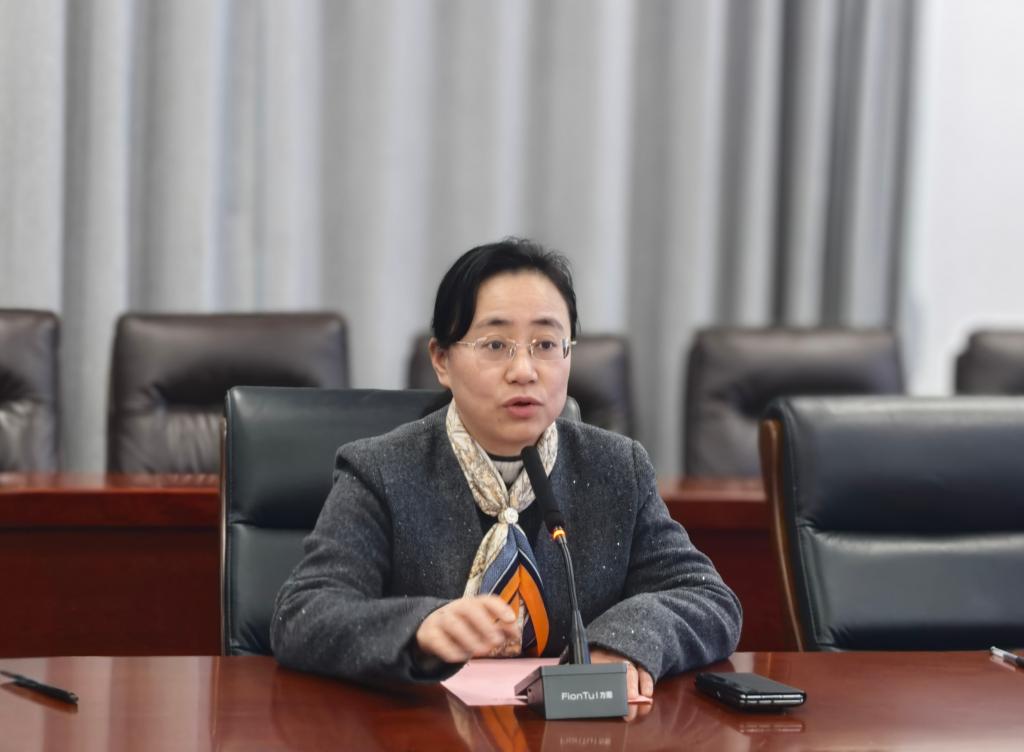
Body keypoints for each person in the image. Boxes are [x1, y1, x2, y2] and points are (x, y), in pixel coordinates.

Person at [271, 238, 741, 702]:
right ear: (442, 360)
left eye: (546, 344)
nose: (524, 370)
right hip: (423, 729)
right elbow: (303, 613)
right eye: (495, 344)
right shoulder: (381, 470)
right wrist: (419, 629)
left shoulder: (617, 469)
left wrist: (623, 641)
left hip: (575, 730)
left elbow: (709, 599)